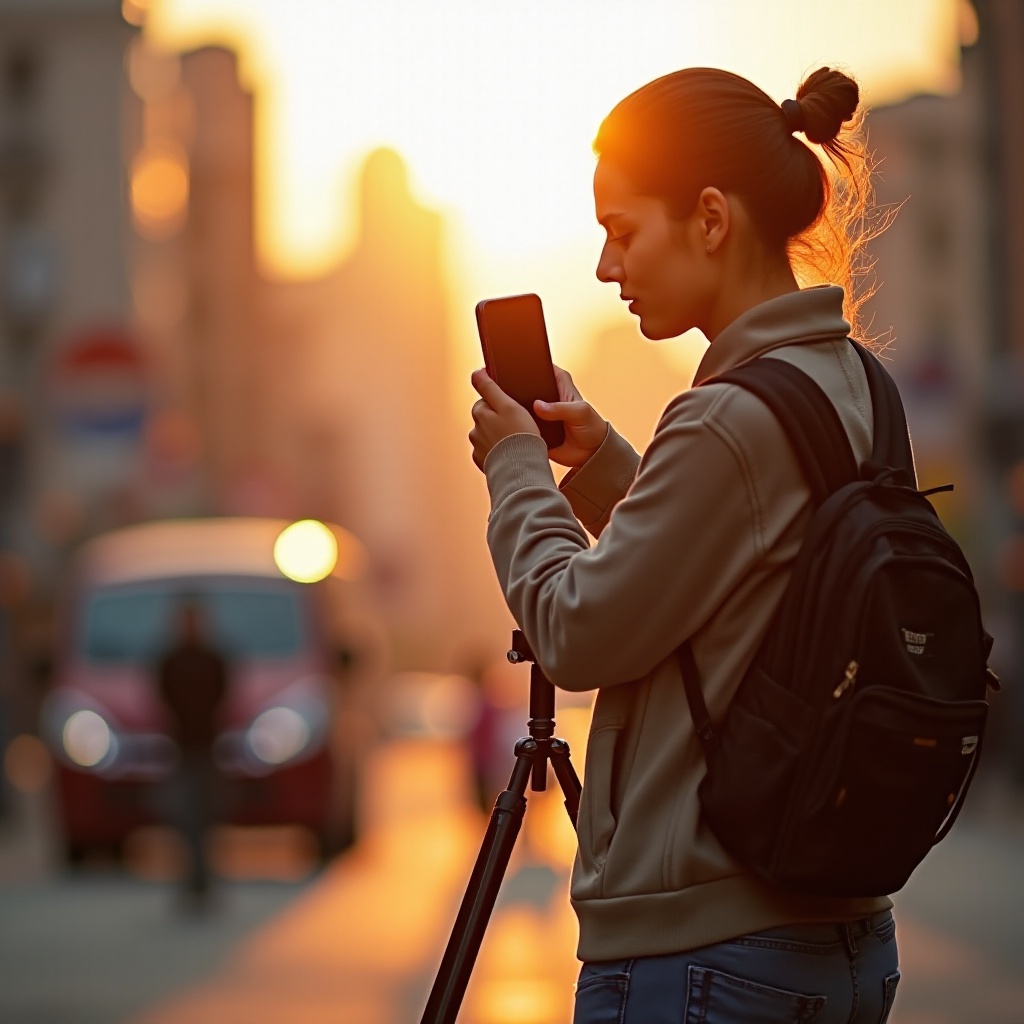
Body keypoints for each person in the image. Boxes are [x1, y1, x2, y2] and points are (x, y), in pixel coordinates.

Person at [469, 67, 902, 1023]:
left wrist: (518, 474)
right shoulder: (856, 387)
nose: (604, 266)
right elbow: (755, 582)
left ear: (710, 219)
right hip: (839, 935)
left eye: (622, 230)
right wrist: (603, 468)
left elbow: (578, 632)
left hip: (709, 956)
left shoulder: (725, 420)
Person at [157, 598, 229, 910]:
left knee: (208, 815)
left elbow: (223, 692)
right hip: (182, 749)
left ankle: (206, 879)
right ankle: (190, 878)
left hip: (208, 748)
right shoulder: (171, 660)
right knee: (185, 816)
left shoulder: (212, 658)